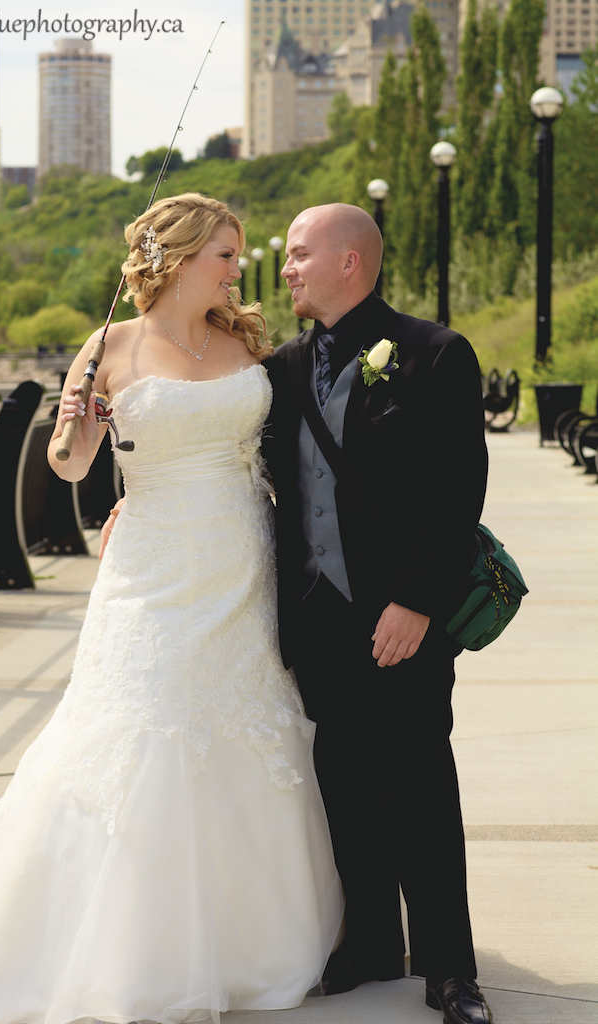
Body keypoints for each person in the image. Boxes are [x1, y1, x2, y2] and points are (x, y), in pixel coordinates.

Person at [0, 193, 343, 1024]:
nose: (237, 267)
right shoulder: (109, 343)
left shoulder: (245, 341)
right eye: (225, 253)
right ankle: (125, 945)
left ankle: (250, 937)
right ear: (180, 257)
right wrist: (74, 425)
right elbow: (71, 467)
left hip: (240, 557)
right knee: (142, 722)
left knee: (242, 719)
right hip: (150, 566)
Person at [260, 203, 492, 1024]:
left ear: (348, 262)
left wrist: (416, 602)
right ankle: (368, 945)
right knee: (345, 779)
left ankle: (449, 970)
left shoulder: (433, 354)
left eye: (296, 254)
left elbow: (455, 490)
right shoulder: (282, 368)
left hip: (402, 614)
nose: (284, 267)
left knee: (421, 781)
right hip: (317, 615)